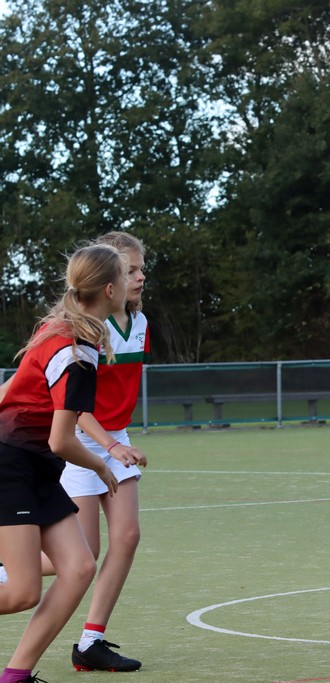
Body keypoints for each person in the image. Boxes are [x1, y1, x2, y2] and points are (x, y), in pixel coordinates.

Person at [0, 244, 129, 683]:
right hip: (12, 464)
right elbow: (61, 439)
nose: (132, 283)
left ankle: (14, 677)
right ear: (110, 289)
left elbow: (10, 391)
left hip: (33, 465)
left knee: (78, 567)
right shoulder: (77, 353)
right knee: (21, 593)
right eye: (126, 275)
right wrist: (102, 464)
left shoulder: (57, 327)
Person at [51, 232, 149, 672]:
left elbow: (117, 396)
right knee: (84, 553)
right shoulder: (86, 329)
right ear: (109, 281)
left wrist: (117, 440)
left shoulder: (140, 323)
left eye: (142, 268)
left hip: (115, 439)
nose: (140, 276)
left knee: (127, 537)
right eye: (131, 270)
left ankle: (90, 642)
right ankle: (8, 566)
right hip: (79, 443)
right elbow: (75, 412)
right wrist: (110, 444)